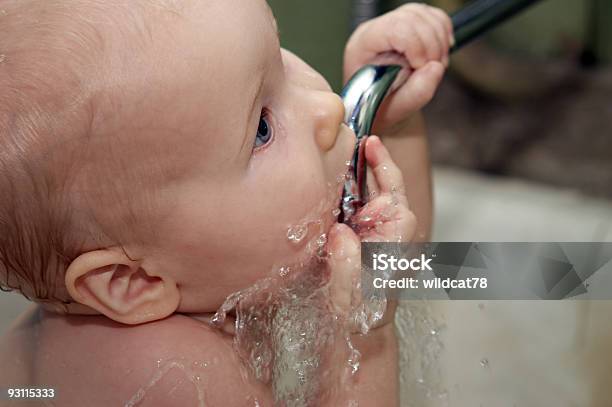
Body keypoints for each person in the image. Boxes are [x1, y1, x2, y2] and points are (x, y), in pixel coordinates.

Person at [0, 0, 452, 405]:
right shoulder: (169, 376)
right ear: (131, 281)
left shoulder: (197, 263)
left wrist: (390, 122)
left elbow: (413, 265)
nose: (326, 107)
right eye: (261, 128)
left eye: (279, 57)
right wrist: (364, 338)